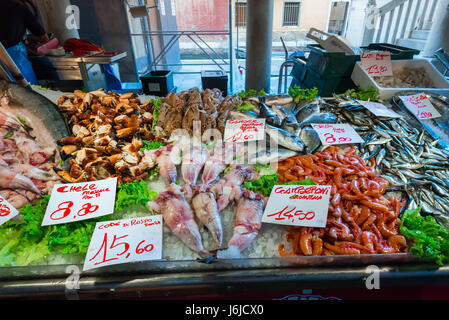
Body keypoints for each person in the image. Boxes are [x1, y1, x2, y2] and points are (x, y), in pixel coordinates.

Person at [0, 0, 49, 85]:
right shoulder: (19, 8)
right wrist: (28, 37)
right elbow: (44, 38)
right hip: (15, 59)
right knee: (29, 93)